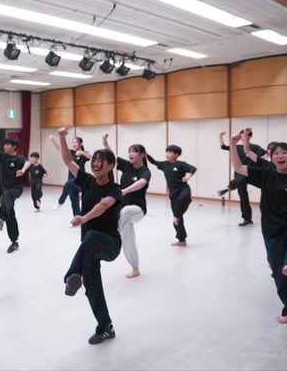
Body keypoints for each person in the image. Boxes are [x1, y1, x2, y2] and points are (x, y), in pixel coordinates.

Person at [57, 127, 122, 345]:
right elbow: (68, 161)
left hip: (109, 244)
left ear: (110, 166)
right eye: (94, 160)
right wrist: (62, 138)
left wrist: (83, 218)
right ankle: (106, 327)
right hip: (89, 248)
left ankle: (71, 275)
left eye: (100, 161)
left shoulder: (115, 189)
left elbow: (103, 206)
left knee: (92, 235)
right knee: (92, 288)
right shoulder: (86, 180)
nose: (95, 163)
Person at [229, 128, 287, 324]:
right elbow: (239, 167)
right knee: (277, 271)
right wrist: (233, 145)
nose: (280, 156)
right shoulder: (266, 174)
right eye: (276, 153)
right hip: (272, 227)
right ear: (271, 157)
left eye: (284, 152)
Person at [103, 133, 150, 278]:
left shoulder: (145, 171)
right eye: (129, 151)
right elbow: (113, 156)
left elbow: (142, 182)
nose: (131, 154)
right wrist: (105, 142)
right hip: (122, 209)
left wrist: (124, 191)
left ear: (142, 155)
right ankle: (135, 268)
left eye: (134, 151)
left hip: (137, 209)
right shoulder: (127, 166)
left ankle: (112, 235)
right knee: (128, 238)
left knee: (125, 213)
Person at [0, 131, 29, 254]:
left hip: (16, 188)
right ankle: (14, 241)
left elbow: (27, 162)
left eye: (7, 145)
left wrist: (23, 170)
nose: (5, 146)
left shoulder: (19, 158)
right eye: (5, 144)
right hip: (5, 189)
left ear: (14, 146)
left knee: (7, 198)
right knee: (10, 213)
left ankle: (1, 218)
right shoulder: (4, 156)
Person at [147, 145, 197, 247]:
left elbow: (193, 168)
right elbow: (154, 162)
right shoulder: (164, 165)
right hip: (173, 194)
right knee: (177, 221)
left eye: (170, 152)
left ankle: (177, 215)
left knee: (183, 198)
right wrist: (146, 154)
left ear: (176, 155)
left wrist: (188, 175)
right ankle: (182, 240)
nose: (167, 154)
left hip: (183, 189)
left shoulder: (181, 164)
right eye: (167, 152)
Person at [217, 130, 266, 226]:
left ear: (249, 137)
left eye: (245, 135)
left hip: (251, 173)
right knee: (243, 196)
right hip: (239, 174)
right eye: (241, 135)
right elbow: (223, 147)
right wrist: (220, 136)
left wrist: (261, 159)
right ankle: (247, 219)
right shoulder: (236, 147)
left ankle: (228, 188)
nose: (242, 137)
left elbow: (265, 154)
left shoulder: (255, 147)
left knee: (243, 179)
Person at [49, 134, 91, 215]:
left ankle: (60, 202)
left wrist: (82, 152)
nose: (74, 144)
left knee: (69, 186)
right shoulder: (70, 152)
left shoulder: (84, 153)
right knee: (74, 202)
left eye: (76, 142)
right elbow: (59, 148)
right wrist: (52, 139)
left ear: (81, 143)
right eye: (73, 142)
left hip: (80, 179)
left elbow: (90, 156)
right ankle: (76, 217)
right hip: (71, 178)